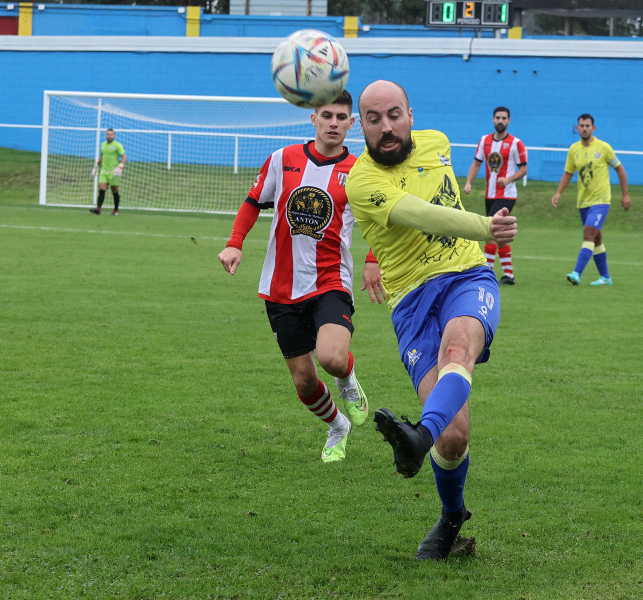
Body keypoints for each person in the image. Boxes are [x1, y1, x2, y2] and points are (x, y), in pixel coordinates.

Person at [346, 80, 517, 560]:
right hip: (413, 303)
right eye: (374, 118)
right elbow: (423, 214)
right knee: (455, 433)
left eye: (394, 114)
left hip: (467, 277)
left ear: (410, 115)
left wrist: (479, 240)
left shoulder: (438, 144)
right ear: (362, 124)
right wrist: (487, 227)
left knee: (458, 352)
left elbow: (444, 199)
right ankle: (451, 515)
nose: (386, 127)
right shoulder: (360, 181)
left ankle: (417, 437)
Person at [217, 90, 368, 463]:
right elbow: (253, 202)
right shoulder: (283, 159)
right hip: (280, 286)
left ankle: (347, 381)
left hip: (331, 278)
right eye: (327, 115)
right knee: (303, 379)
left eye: (341, 117)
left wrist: (375, 260)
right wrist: (235, 243)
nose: (334, 123)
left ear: (353, 123)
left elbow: (379, 220)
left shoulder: (362, 170)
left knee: (332, 358)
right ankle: (337, 426)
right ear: (312, 119)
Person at [550, 114, 631, 286]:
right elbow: (568, 173)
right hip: (583, 202)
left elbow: (620, 169)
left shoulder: (604, 147)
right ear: (577, 128)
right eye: (581, 125)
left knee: (588, 234)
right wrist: (558, 193)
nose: (585, 128)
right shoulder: (574, 149)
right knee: (596, 238)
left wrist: (625, 194)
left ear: (593, 128)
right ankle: (606, 277)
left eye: (588, 125)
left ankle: (576, 273)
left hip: (601, 200)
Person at [463, 106, 528, 285]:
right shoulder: (484, 140)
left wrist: (508, 179)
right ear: (493, 119)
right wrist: (468, 182)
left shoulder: (516, 143)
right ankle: (509, 275)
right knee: (499, 234)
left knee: (491, 231)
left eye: (504, 118)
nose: (500, 121)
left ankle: (487, 273)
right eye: (498, 118)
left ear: (509, 121)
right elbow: (476, 163)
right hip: (489, 194)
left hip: (507, 194)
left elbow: (523, 169)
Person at [90, 128, 126, 215]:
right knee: (102, 189)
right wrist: (96, 166)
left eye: (111, 134)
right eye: (108, 134)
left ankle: (116, 210)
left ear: (114, 135)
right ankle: (98, 209)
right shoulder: (103, 145)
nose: (110, 136)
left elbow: (124, 157)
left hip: (113, 172)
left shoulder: (117, 145)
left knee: (115, 190)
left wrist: (120, 166)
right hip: (104, 171)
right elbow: (102, 156)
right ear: (106, 135)